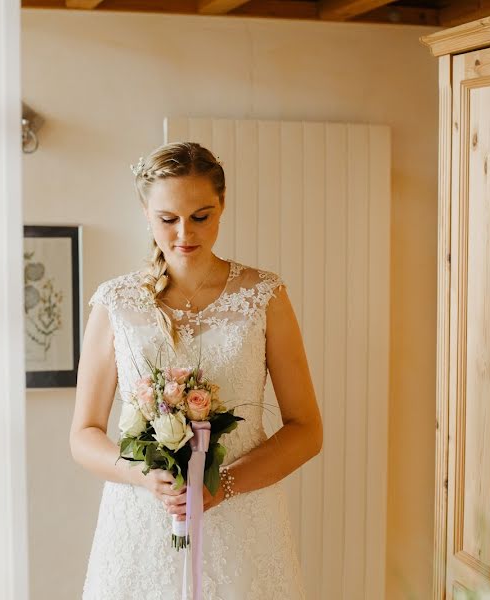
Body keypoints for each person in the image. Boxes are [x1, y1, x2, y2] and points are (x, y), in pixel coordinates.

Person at [69, 141, 323, 599]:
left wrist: (222, 484)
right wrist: (144, 477)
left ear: (222, 205)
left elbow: (307, 429)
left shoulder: (264, 296)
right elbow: (83, 434)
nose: (185, 232)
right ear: (146, 212)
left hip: (243, 522)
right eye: (168, 219)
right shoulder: (115, 304)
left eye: (201, 216)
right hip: (142, 525)